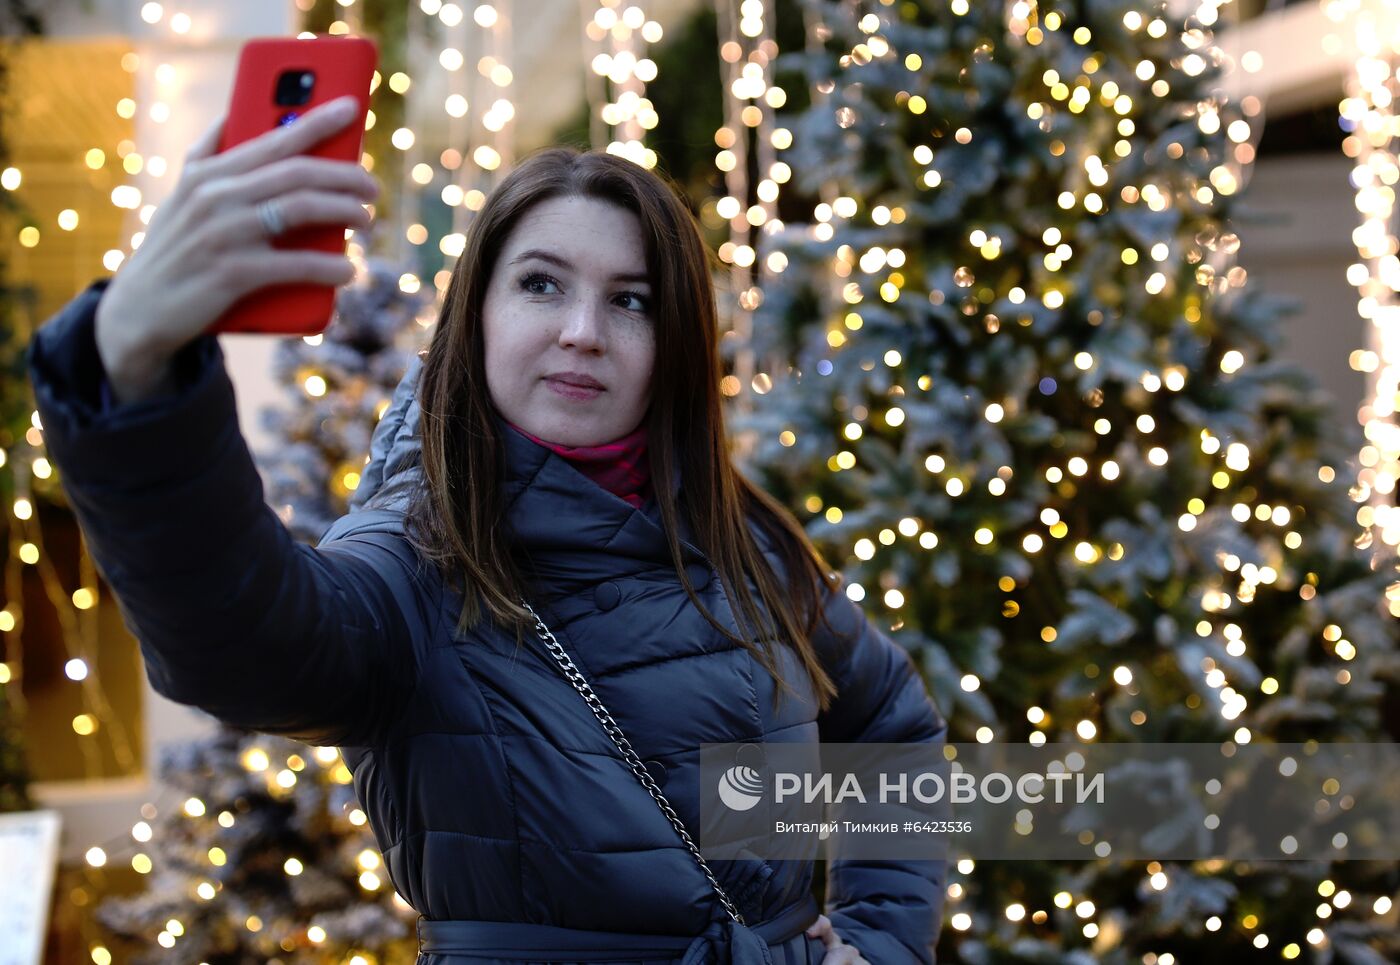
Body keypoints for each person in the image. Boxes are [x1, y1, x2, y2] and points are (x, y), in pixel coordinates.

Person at [26, 95, 949, 964]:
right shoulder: (416, 561)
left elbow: (893, 729)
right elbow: (245, 643)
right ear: (477, 314)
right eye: (542, 285)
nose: (584, 330)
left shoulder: (742, 537)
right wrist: (135, 370)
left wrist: (880, 942)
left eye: (632, 299)